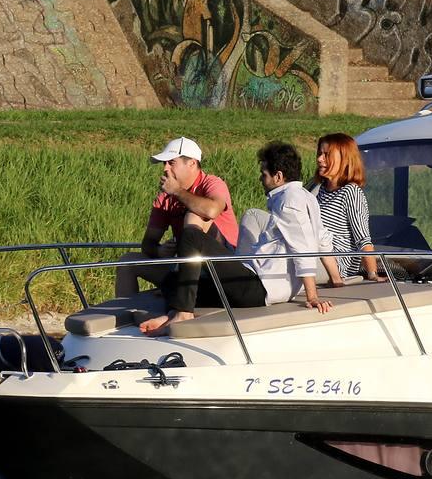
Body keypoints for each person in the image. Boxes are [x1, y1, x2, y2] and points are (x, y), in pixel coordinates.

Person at [139, 141, 331, 336]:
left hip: (259, 287)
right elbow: (322, 239)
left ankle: (183, 314)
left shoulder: (290, 200)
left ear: (278, 176)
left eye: (264, 174)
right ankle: (175, 312)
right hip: (258, 286)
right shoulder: (305, 196)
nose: (260, 178)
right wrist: (337, 280)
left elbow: (303, 246)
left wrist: (312, 295)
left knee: (191, 236)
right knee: (173, 283)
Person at [115, 136, 238, 300]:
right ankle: (124, 318)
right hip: (184, 267)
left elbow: (211, 211)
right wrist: (159, 250)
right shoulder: (164, 199)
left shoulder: (212, 183)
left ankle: (183, 302)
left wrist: (177, 192)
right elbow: (148, 243)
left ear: (192, 163)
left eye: (171, 162)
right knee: (127, 262)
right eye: (163, 163)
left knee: (194, 216)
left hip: (223, 267)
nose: (165, 168)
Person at [311, 132, 381, 284]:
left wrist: (372, 275)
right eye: (320, 154)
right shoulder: (321, 190)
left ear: (344, 159)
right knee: (254, 215)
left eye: (326, 155)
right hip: (315, 256)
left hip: (336, 267)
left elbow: (363, 239)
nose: (319, 159)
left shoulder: (351, 192)